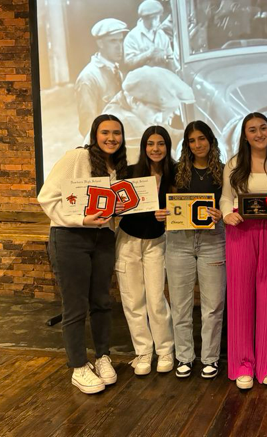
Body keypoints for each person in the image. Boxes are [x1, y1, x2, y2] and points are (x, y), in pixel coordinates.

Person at [38, 114, 128, 394]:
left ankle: (102, 357)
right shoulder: (76, 158)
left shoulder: (117, 168)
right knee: (75, 305)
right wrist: (79, 220)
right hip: (70, 237)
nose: (111, 138)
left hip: (103, 237)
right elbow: (46, 197)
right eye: (105, 133)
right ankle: (78, 366)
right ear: (94, 135)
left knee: (101, 301)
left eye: (117, 133)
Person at [219, 112, 267, 390]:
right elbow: (227, 197)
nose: (259, 133)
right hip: (239, 232)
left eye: (263, 128)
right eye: (253, 129)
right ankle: (242, 365)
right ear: (245, 135)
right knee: (239, 299)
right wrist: (226, 213)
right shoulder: (234, 164)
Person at [164, 121, 226, 379]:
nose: (198, 144)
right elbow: (169, 202)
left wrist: (223, 213)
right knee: (180, 304)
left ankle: (210, 358)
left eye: (202, 139)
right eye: (192, 140)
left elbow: (230, 204)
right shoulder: (177, 171)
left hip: (213, 240)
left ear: (211, 140)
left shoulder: (224, 172)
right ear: (186, 145)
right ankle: (184, 357)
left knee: (212, 305)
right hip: (180, 241)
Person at [115, 126, 176, 376]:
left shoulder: (176, 175)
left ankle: (165, 351)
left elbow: (183, 212)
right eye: (150, 144)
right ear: (143, 147)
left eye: (160, 143)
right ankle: (143, 352)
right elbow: (116, 206)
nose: (155, 149)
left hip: (157, 242)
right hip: (128, 240)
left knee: (155, 299)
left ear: (168, 146)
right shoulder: (130, 173)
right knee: (133, 300)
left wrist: (169, 216)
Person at [102, 66, 195, 162]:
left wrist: (190, 136)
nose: (162, 119)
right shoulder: (126, 123)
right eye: (158, 111)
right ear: (135, 102)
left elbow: (164, 129)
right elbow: (167, 162)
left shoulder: (127, 102)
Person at [75, 18, 128, 137]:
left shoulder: (116, 71)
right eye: (113, 41)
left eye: (120, 41)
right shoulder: (88, 77)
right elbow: (87, 127)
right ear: (100, 43)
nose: (119, 46)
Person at [124, 0, 177, 72]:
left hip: (162, 77)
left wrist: (166, 59)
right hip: (142, 79)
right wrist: (148, 54)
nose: (155, 22)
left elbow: (170, 58)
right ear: (144, 18)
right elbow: (128, 64)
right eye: (152, 19)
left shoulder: (162, 35)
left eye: (157, 18)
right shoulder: (132, 37)